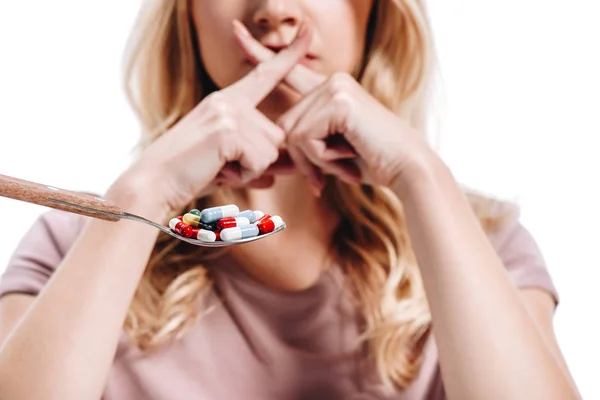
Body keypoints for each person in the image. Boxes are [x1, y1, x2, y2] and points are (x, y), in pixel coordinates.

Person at [0, 1, 580, 399]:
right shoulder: (74, 247)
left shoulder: (485, 243)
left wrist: (422, 175)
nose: (275, 8)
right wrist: (145, 192)